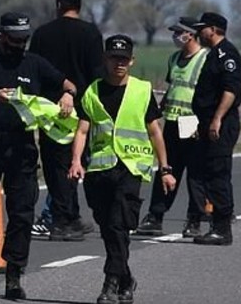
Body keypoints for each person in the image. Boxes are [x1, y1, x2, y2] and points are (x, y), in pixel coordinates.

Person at [0, 12, 76, 300]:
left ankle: (14, 272)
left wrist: (68, 95)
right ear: (1, 36)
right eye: (14, 39)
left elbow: (68, 83)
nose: (20, 44)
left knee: (22, 212)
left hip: (21, 147)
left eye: (24, 39)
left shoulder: (33, 63)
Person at [68, 34, 176, 304]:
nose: (119, 63)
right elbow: (82, 130)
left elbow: (155, 132)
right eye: (115, 58)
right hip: (99, 169)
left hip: (131, 167)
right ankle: (126, 278)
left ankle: (111, 283)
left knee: (119, 224)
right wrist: (76, 161)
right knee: (108, 227)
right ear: (105, 59)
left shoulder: (141, 90)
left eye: (124, 59)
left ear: (132, 61)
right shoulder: (92, 91)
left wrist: (165, 169)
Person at [28, 0, 103, 242]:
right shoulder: (91, 33)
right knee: (76, 162)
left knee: (56, 167)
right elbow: (97, 74)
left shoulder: (42, 34)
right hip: (83, 110)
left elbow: (34, 71)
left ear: (58, 4)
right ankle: (69, 217)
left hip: (51, 111)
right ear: (79, 6)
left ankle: (64, 218)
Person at [135, 16, 209, 237]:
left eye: (180, 32)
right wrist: (160, 107)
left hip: (192, 122)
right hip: (172, 121)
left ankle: (194, 220)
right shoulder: (174, 58)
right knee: (166, 169)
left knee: (195, 174)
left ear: (191, 35)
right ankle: (155, 216)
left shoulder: (205, 59)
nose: (176, 36)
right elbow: (173, 87)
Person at [187, 12, 241, 246]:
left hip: (221, 123)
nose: (199, 33)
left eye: (202, 28)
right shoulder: (213, 54)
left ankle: (222, 228)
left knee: (218, 173)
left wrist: (217, 118)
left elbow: (230, 90)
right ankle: (216, 223)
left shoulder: (226, 54)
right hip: (208, 121)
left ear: (213, 29)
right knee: (208, 172)